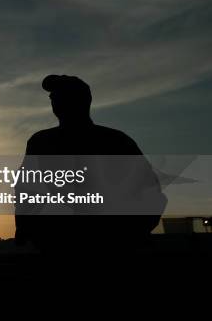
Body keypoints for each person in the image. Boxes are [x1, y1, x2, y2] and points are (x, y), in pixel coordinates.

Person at [15, 75, 166, 252]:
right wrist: (26, 228)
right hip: (58, 245)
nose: (54, 100)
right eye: (53, 97)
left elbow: (149, 191)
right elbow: (25, 189)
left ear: (81, 100)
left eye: (61, 95)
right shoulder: (40, 142)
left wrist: (130, 233)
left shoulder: (115, 141)